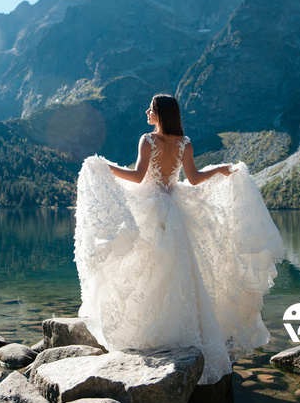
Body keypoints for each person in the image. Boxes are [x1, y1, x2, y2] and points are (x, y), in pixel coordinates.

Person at [74, 94, 283, 385]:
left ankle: (150, 331)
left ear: (159, 113)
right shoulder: (184, 142)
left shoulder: (147, 141)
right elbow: (194, 179)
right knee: (178, 271)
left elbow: (136, 177)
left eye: (150, 108)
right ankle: (184, 334)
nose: (146, 111)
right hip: (174, 209)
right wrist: (220, 170)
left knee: (149, 269)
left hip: (150, 207)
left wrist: (105, 167)